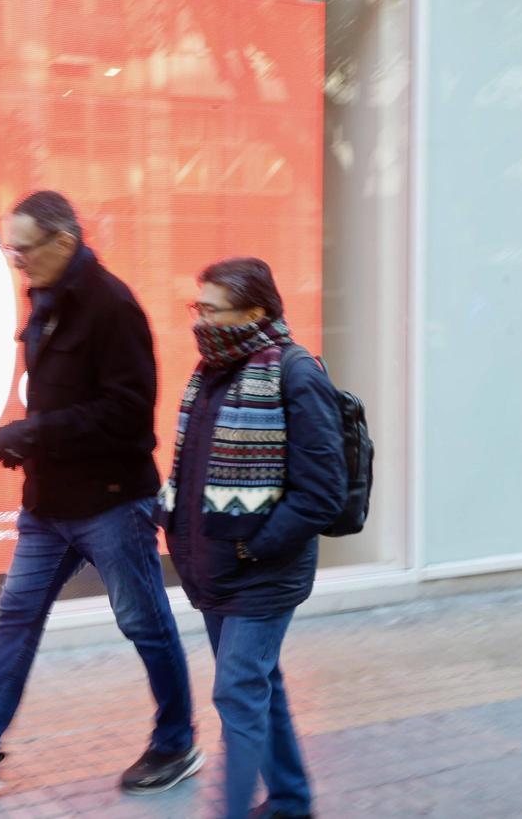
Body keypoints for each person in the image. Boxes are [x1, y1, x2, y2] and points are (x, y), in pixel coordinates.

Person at [0, 191, 200, 794]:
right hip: (49, 504)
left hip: (113, 502)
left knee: (144, 622)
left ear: (64, 243)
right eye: (11, 249)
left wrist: (35, 432)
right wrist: (33, 444)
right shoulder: (47, 296)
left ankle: (176, 743)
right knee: (17, 616)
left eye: (23, 249)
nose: (16, 262)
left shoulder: (112, 306)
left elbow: (128, 413)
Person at [159, 257, 346, 818]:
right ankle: (290, 800)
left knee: (238, 691)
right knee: (262, 685)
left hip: (263, 569)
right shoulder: (212, 372)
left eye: (211, 309)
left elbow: (322, 491)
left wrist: (255, 546)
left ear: (255, 309)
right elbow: (192, 473)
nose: (201, 320)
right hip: (216, 567)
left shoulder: (296, 373)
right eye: (199, 307)